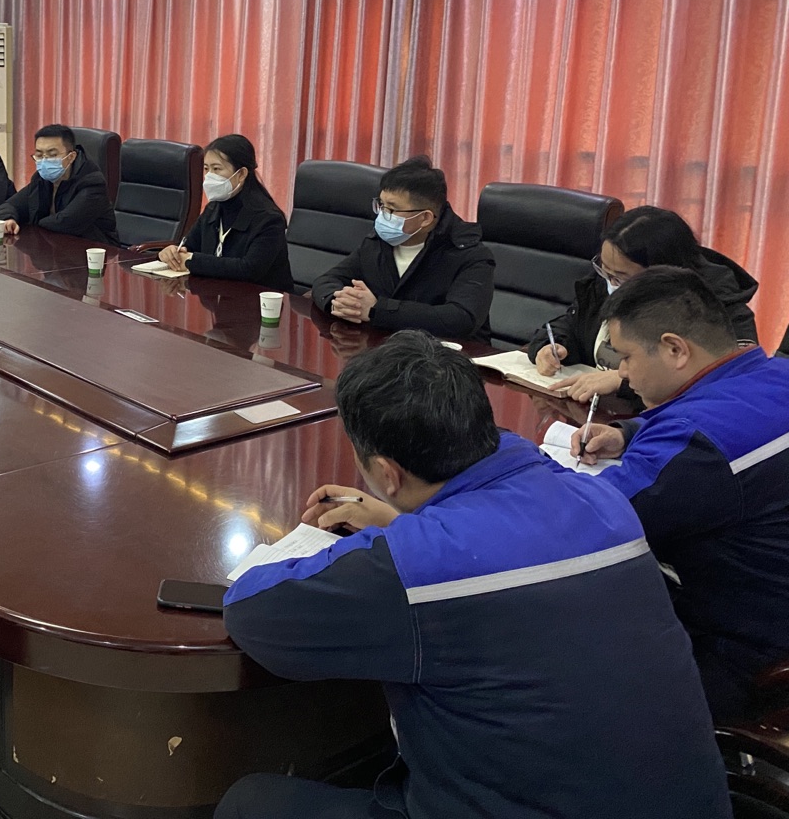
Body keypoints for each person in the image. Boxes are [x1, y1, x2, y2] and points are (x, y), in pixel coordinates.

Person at [217, 330, 729, 819]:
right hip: (685, 803)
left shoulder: (419, 565)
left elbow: (252, 613)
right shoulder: (600, 499)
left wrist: (397, 539)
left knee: (249, 801)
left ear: (387, 474)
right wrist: (406, 521)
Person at [573, 267, 789, 721]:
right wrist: (630, 431)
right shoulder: (776, 374)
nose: (622, 372)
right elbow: (730, 428)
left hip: (744, 654)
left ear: (674, 349)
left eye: (626, 356)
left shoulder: (694, 444)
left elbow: (587, 520)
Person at [528, 206, 759, 405]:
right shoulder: (607, 280)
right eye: (605, 270)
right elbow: (572, 322)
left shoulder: (718, 308)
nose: (610, 284)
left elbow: (727, 385)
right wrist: (553, 345)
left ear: (662, 272)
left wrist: (624, 381)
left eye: (620, 277)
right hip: (596, 412)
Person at [310, 156, 495, 342]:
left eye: (391, 209)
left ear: (425, 218)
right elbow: (327, 280)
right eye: (381, 205)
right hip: (385, 347)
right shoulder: (378, 241)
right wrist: (339, 302)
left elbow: (460, 319)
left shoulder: (470, 255)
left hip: (448, 355)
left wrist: (377, 310)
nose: (382, 216)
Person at [157, 134, 292, 290]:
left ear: (241, 174)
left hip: (258, 300)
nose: (209, 176)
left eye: (217, 169)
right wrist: (171, 253)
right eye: (206, 169)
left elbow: (249, 269)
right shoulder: (213, 209)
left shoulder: (269, 219)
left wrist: (191, 260)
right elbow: (188, 247)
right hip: (217, 295)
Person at [0, 124, 117, 242]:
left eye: (52, 155)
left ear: (71, 157)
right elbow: (10, 205)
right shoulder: (41, 179)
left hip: (96, 249)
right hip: (54, 245)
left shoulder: (93, 183)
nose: (44, 161)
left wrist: (33, 223)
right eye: (39, 155)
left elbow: (66, 223)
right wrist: (8, 219)